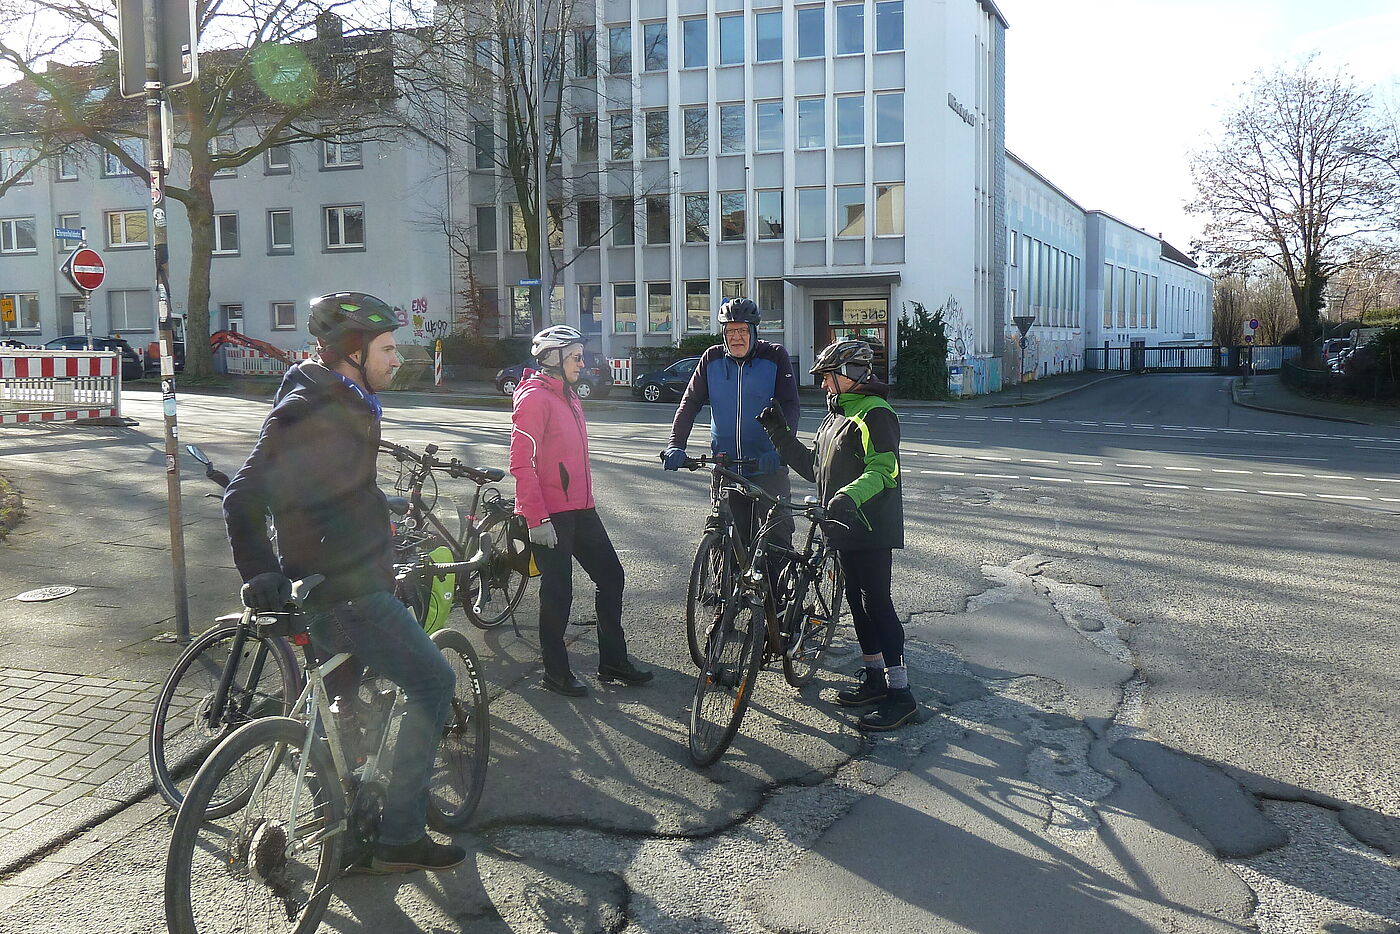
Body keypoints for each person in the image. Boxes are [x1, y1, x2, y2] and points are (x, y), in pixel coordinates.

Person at [223, 291, 464, 873]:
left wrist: (380, 507)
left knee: (346, 702)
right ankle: (400, 837)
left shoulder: (343, 401)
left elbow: (334, 489)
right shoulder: (311, 409)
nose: (397, 358)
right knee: (433, 683)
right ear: (351, 353)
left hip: (337, 583)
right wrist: (259, 572)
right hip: (347, 592)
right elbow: (243, 495)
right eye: (386, 348)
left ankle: (348, 819)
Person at [757, 338, 915, 731]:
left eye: (828, 378)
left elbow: (884, 471)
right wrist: (778, 434)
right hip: (839, 525)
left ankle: (902, 694)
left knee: (877, 603)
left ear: (851, 374)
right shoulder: (836, 417)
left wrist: (847, 497)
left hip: (870, 525)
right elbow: (815, 469)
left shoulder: (875, 414)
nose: (824, 386)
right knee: (856, 604)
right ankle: (875, 679)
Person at [510, 324, 652, 697]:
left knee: (611, 577)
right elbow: (521, 464)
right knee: (559, 593)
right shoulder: (534, 398)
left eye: (581, 356)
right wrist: (535, 518)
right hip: (551, 513)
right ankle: (555, 673)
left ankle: (612, 661)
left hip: (581, 508)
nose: (582, 363)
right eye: (575, 357)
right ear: (553, 358)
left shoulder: (569, 395)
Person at [661, 297, 801, 547]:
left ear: (754, 331)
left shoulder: (775, 356)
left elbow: (790, 405)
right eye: (730, 330)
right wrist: (676, 444)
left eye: (743, 330)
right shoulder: (711, 359)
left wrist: (780, 450)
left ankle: (776, 583)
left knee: (776, 544)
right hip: (727, 468)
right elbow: (690, 403)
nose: (736, 337)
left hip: (767, 467)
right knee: (729, 544)